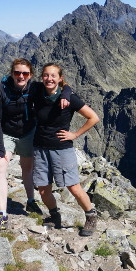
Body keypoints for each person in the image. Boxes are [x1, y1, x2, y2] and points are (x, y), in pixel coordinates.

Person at [0, 58, 71, 231]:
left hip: (28, 133)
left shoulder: (35, 87)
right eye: (17, 72)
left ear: (31, 75)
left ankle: (31, 201)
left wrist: (66, 94)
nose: (21, 76)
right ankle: (2, 215)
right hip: (6, 134)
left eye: (25, 73)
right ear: (11, 73)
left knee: (27, 168)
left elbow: (60, 85)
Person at [33, 62, 100, 236]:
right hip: (40, 148)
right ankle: (54, 216)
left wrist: (75, 134)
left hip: (62, 149)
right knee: (43, 189)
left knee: (73, 187)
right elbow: (15, 82)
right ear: (42, 77)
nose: (49, 78)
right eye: (46, 75)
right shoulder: (36, 91)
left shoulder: (69, 98)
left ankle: (91, 216)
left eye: (53, 75)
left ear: (60, 78)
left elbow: (93, 117)